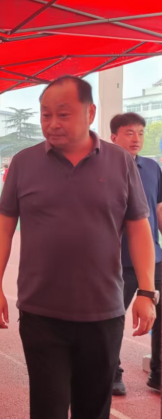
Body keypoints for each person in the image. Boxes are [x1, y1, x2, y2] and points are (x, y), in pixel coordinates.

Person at [0, 76, 156, 419]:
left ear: (90, 112)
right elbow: (4, 226)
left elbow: (139, 227)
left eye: (63, 114)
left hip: (103, 312)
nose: (52, 123)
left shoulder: (120, 161)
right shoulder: (24, 162)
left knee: (93, 409)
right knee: (46, 408)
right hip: (41, 312)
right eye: (45, 114)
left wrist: (146, 291)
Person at [110, 112, 162, 394]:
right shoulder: (103, 169)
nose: (137, 138)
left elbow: (158, 208)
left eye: (140, 133)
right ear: (114, 137)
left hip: (154, 259)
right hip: (116, 261)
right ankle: (111, 373)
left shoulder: (152, 167)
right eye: (129, 133)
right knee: (112, 321)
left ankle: (159, 372)